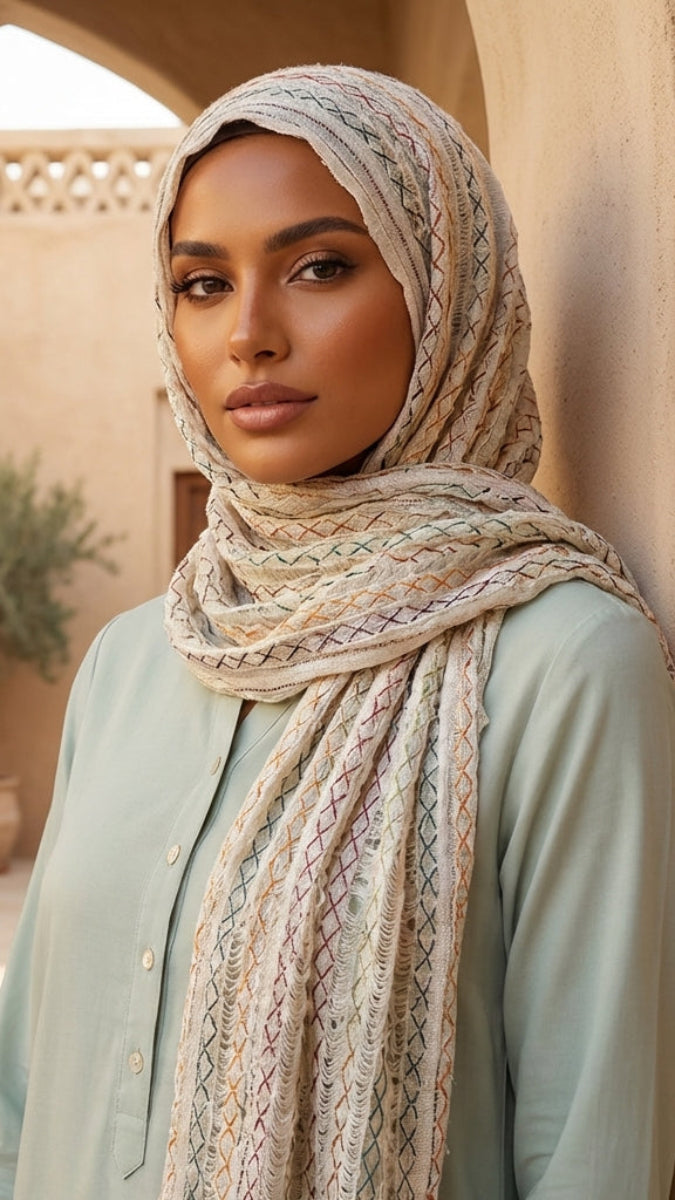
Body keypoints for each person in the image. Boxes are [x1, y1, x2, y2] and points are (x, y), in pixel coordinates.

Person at [0, 64, 673, 1200]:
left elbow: (595, 1154)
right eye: (202, 284)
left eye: (320, 266)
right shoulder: (130, 660)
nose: (249, 334)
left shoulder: (563, 664)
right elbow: (24, 1091)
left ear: (443, 287)